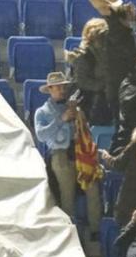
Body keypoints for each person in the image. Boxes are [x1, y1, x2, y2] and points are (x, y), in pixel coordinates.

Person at [33, 72, 103, 240]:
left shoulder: (73, 107)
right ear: (50, 89)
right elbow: (42, 135)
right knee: (67, 192)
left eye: (64, 86)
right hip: (60, 154)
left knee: (92, 189)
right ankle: (68, 233)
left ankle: (95, 230)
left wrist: (78, 114)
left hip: (81, 153)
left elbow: (85, 131)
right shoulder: (42, 112)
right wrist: (61, 119)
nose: (62, 90)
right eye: (58, 87)